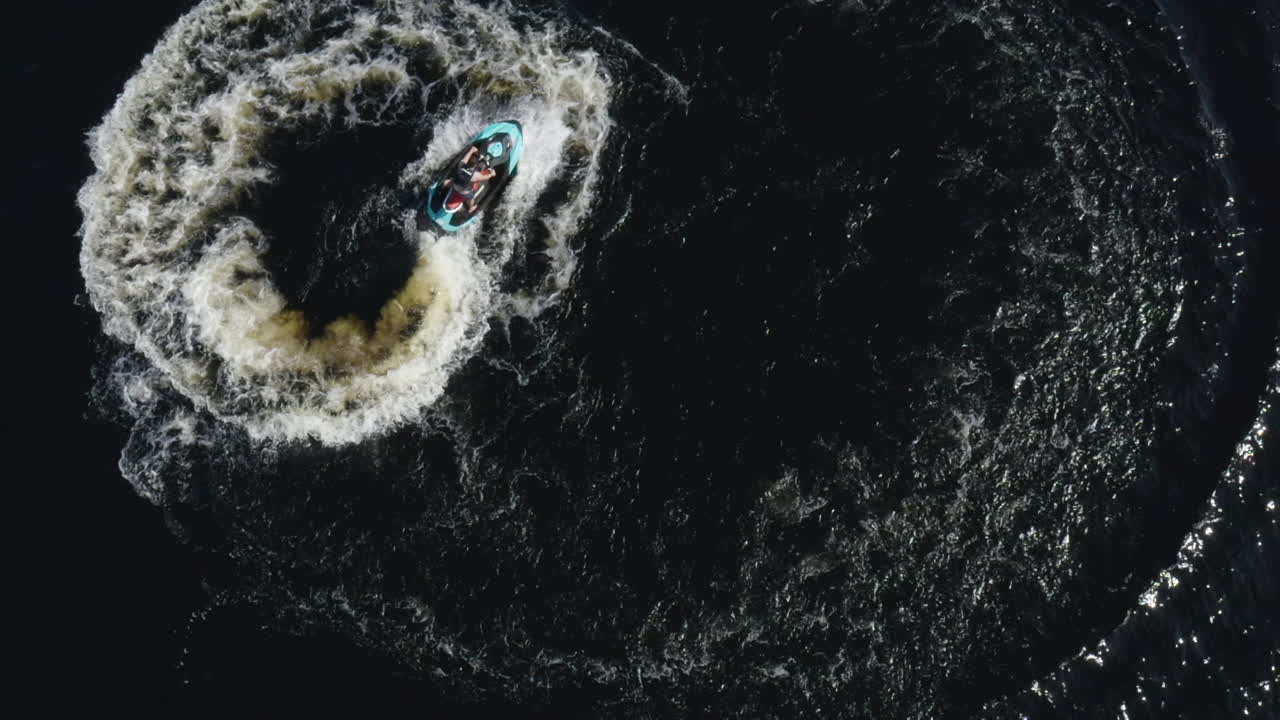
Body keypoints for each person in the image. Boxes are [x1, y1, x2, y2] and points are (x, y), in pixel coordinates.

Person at [441, 146, 497, 213]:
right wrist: (492, 174)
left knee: (445, 182)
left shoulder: (461, 166)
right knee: (471, 198)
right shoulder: (475, 175)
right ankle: (471, 208)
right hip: (463, 192)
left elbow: (465, 159)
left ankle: (441, 190)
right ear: (475, 165)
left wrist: (471, 150)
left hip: (454, 186)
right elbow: (486, 177)